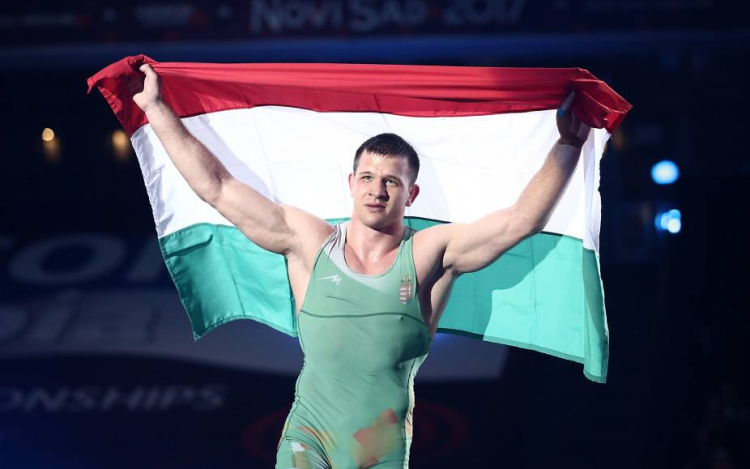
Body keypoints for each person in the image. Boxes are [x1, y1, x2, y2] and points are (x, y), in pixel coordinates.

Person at [131, 63, 591, 469]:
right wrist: (156, 109)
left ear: (411, 194)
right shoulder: (310, 243)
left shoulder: (430, 252)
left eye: (392, 181)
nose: (377, 190)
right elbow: (217, 187)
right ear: (351, 183)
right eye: (368, 178)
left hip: (378, 448)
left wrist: (567, 146)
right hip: (308, 436)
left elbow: (520, 222)